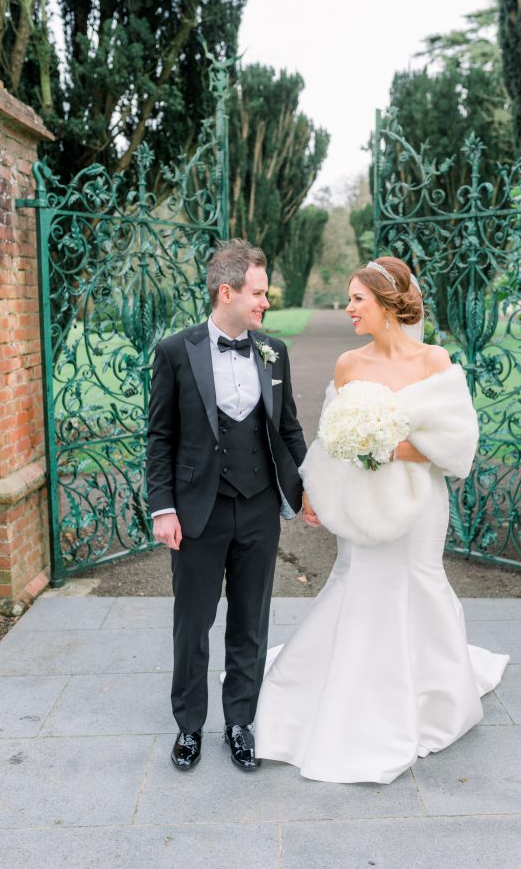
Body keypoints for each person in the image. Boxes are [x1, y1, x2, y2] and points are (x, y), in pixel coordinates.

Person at [253, 257, 510, 784]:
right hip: (364, 504)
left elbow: (457, 443)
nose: (348, 308)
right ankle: (349, 687)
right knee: (357, 581)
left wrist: (386, 445)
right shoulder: (348, 364)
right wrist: (313, 489)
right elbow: (329, 437)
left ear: (388, 306)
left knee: (421, 581)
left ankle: (432, 697)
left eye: (357, 299)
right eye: (349, 299)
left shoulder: (434, 361)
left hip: (420, 504)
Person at [146, 239, 307, 772]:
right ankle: (189, 727)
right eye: (258, 292)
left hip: (259, 507)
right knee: (192, 623)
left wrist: (310, 488)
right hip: (198, 510)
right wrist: (163, 508)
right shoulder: (175, 351)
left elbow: (288, 429)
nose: (266, 301)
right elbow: (160, 438)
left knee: (251, 621)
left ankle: (240, 722)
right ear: (227, 292)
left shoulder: (273, 350)